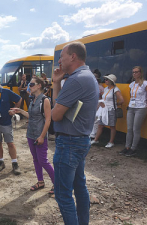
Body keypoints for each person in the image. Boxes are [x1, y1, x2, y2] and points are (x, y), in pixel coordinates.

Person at [51, 42, 99, 225]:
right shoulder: (85, 76)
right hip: (79, 141)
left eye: (61, 56)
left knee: (63, 195)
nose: (59, 60)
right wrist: (57, 83)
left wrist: (60, 87)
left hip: (69, 143)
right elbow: (60, 105)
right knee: (79, 187)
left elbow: (55, 114)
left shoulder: (76, 80)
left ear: (73, 56)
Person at [11, 77, 54, 192]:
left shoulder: (45, 100)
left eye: (32, 84)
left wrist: (42, 136)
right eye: (29, 84)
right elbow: (33, 117)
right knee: (36, 159)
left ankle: (57, 183)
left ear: (39, 85)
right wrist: (20, 111)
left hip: (40, 135)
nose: (29, 86)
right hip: (30, 134)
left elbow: (48, 120)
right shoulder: (33, 99)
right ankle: (40, 181)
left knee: (43, 160)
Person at [120, 66, 147, 156]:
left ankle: (133, 148)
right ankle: (127, 147)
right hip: (131, 107)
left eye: (136, 72)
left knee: (136, 129)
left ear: (140, 73)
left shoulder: (145, 84)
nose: (134, 74)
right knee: (129, 128)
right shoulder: (132, 84)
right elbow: (131, 95)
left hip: (141, 108)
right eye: (133, 72)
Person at [91, 74, 124, 148]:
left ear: (111, 81)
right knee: (100, 125)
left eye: (106, 79)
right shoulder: (106, 89)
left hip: (111, 109)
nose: (105, 80)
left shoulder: (115, 89)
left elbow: (122, 100)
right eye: (105, 79)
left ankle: (111, 142)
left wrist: (115, 104)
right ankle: (96, 139)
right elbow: (104, 98)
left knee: (112, 126)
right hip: (104, 109)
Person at [90, 69, 104, 139]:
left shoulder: (100, 88)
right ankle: (90, 132)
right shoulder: (91, 86)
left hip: (97, 103)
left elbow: (102, 96)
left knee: (95, 119)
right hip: (91, 103)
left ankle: (93, 133)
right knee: (91, 118)